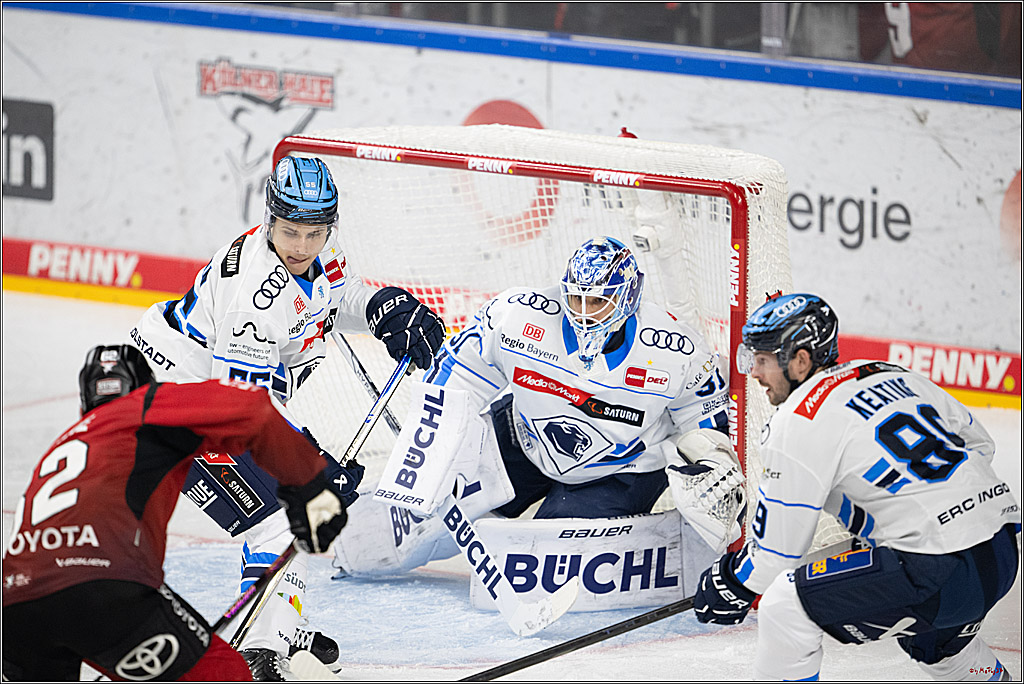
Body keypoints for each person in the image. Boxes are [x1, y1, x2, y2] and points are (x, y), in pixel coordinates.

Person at [127, 155, 445, 677]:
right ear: (270, 220)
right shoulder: (255, 293)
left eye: (315, 232)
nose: (301, 246)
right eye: (290, 231)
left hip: (207, 399)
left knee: (289, 513)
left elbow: (335, 296)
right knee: (279, 519)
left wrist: (384, 306)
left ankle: (275, 623)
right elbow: (240, 408)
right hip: (175, 406)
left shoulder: (321, 256)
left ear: (329, 227)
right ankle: (258, 644)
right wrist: (310, 462)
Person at [333, 235, 746, 585]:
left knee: (540, 571)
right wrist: (431, 459)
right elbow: (455, 380)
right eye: (575, 297)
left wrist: (710, 468)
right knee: (369, 540)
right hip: (523, 438)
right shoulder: (516, 316)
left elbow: (703, 422)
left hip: (619, 472)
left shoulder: (676, 349)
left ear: (628, 299)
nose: (583, 312)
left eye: (597, 302)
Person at [693, 293, 1020, 681]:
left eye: (762, 360)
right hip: (1002, 553)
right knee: (936, 645)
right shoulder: (891, 372)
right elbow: (981, 445)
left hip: (938, 572)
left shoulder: (797, 422)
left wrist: (730, 582)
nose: (755, 373)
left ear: (799, 360)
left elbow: (775, 558)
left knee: (784, 605)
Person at [2, 345, 349, 682]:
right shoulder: (147, 404)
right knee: (228, 676)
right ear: (144, 385)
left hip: (14, 602)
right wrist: (310, 488)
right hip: (105, 586)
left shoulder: (61, 447)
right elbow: (254, 406)